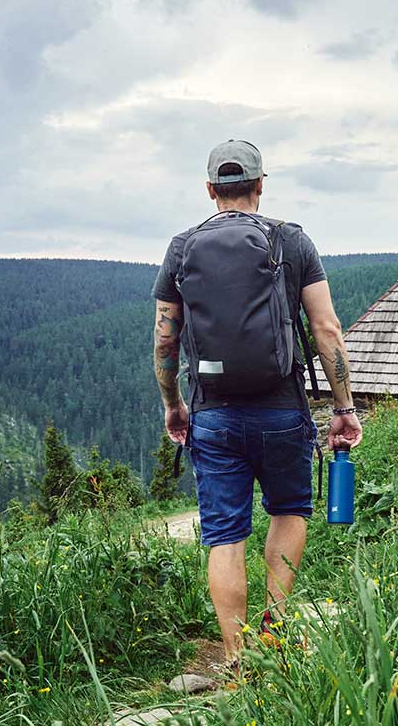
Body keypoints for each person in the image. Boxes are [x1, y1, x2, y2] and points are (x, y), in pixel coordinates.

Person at [151, 139, 362, 673]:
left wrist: (174, 404)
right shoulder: (291, 242)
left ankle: (237, 662)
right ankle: (275, 629)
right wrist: (344, 406)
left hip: (213, 414)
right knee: (289, 511)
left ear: (209, 190)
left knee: (225, 534)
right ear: (261, 184)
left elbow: (164, 340)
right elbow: (326, 329)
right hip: (281, 409)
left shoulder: (182, 248)